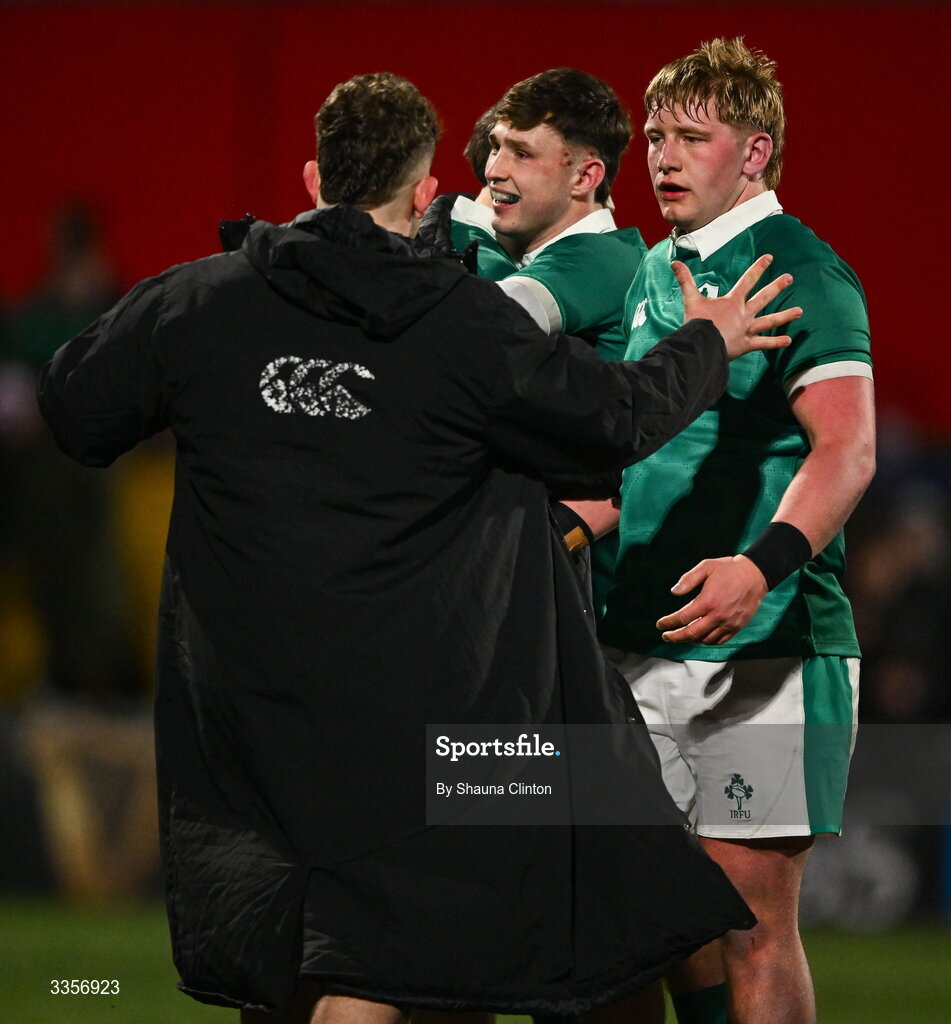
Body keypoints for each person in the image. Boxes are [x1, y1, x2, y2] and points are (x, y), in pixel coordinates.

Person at [39, 72, 800, 1024]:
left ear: (315, 178)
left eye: (524, 150)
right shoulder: (465, 323)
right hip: (439, 703)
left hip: (252, 707)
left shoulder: (202, 301)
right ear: (425, 192)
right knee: (578, 900)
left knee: (322, 941)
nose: (500, 169)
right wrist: (705, 339)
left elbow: (75, 408)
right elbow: (614, 419)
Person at [597, 39, 876, 1024]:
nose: (663, 156)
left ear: (756, 153)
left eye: (692, 137)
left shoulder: (802, 269)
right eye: (656, 136)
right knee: (649, 923)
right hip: (640, 638)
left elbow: (846, 449)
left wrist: (761, 568)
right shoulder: (651, 271)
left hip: (764, 650)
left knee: (749, 920)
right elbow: (638, 462)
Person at [417, 68, 643, 580]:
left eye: (521, 153)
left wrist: (465, 222)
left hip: (591, 592)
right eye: (495, 148)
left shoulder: (601, 259)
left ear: (586, 177)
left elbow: (477, 330)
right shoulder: (559, 255)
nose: (494, 170)